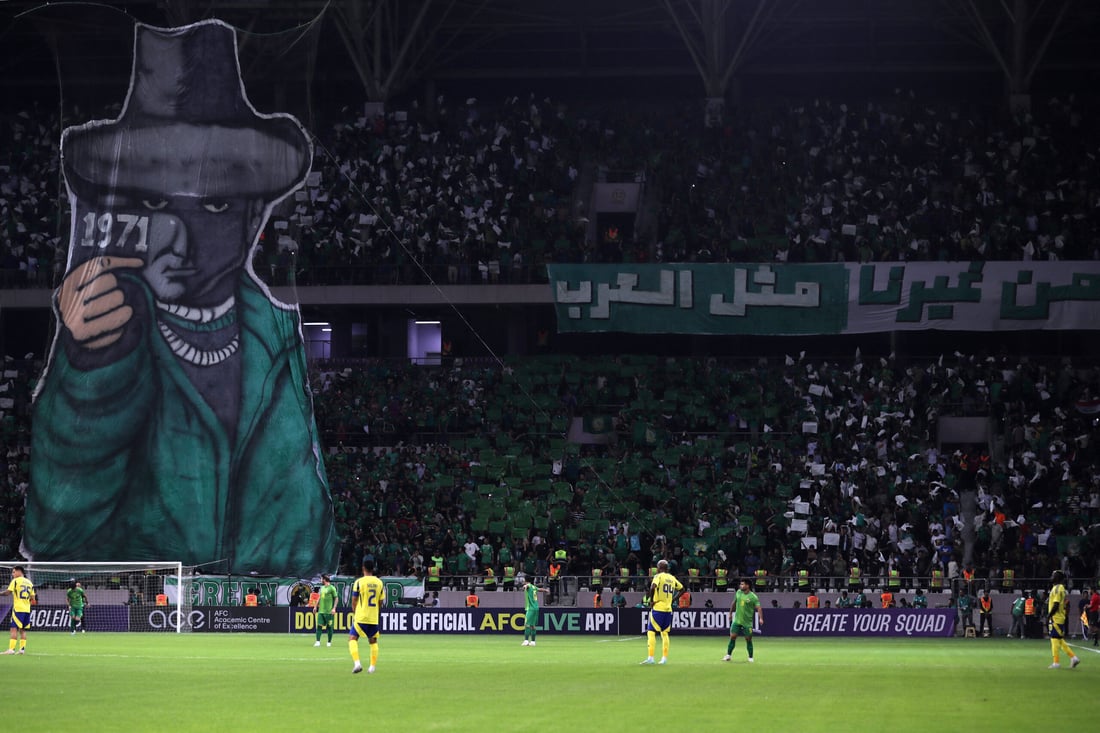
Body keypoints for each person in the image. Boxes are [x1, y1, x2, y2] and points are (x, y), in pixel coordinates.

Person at [24, 19, 337, 577]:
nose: (180, 238)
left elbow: (302, 525)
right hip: (144, 604)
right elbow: (59, 527)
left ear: (251, 218)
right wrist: (92, 371)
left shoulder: (276, 343)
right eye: (152, 204)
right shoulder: (108, 334)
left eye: (215, 206)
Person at [640, 560, 683, 665]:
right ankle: (664, 658)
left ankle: (651, 657)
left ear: (659, 568)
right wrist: (673, 599)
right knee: (664, 633)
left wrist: (651, 601)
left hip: (658, 608)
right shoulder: (672, 578)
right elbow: (682, 589)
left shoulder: (658, 576)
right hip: (668, 609)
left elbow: (653, 587)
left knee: (651, 632)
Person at [349, 556, 384, 674]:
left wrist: (355, 612)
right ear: (373, 568)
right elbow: (380, 602)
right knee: (373, 641)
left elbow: (354, 600)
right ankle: (372, 667)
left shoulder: (359, 582)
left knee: (352, 639)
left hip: (361, 616)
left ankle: (357, 664)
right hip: (373, 618)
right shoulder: (379, 583)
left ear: (363, 568)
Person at [1046, 570, 1080, 669]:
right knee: (1059, 640)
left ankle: (1056, 662)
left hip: (1056, 618)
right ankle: (1073, 658)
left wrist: (1049, 615)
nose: (1051, 577)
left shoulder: (1057, 588)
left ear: (1058, 578)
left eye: (1053, 575)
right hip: (1058, 617)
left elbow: (1056, 604)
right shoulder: (1057, 587)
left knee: (1054, 640)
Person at [724, 578, 762, 663]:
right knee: (732, 637)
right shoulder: (738, 592)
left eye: (742, 584)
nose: (741, 586)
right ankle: (728, 655)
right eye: (740, 584)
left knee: (748, 639)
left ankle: (750, 657)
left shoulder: (753, 597)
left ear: (747, 586)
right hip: (737, 620)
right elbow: (734, 603)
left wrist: (761, 618)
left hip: (747, 622)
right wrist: (730, 613)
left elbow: (758, 607)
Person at [1, 566, 36, 654]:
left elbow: (8, 592)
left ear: (19, 571)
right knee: (23, 630)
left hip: (18, 609)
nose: (12, 574)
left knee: (13, 629)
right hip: (27, 609)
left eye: (13, 572)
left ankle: (11, 649)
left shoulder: (15, 581)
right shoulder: (30, 583)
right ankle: (22, 649)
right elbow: (33, 598)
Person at [520, 579, 549, 646]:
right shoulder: (534, 587)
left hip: (530, 608)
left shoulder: (529, 586)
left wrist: (524, 587)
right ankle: (533, 642)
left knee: (527, 624)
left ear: (525, 580)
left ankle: (526, 641)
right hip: (536, 607)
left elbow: (526, 586)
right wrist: (546, 590)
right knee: (533, 625)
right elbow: (540, 589)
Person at [313, 574, 339, 647]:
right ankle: (318, 641)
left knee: (329, 627)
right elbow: (319, 597)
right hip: (321, 611)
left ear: (324, 579)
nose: (321, 580)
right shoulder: (322, 588)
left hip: (329, 612)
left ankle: (329, 642)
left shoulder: (332, 588)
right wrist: (315, 607)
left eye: (321, 579)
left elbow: (336, 598)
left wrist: (334, 608)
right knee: (319, 626)